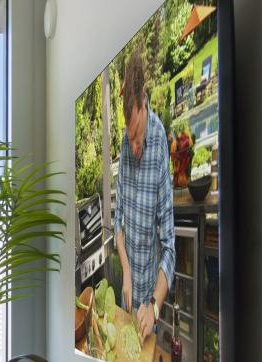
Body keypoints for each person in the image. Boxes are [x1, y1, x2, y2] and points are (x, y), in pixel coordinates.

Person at [112, 50, 175, 341]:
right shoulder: (125, 143)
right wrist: (125, 270)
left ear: (144, 102)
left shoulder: (160, 142)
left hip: (148, 304)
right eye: (129, 137)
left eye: (137, 136)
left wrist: (153, 306)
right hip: (126, 293)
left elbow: (169, 246)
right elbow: (119, 221)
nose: (133, 146)